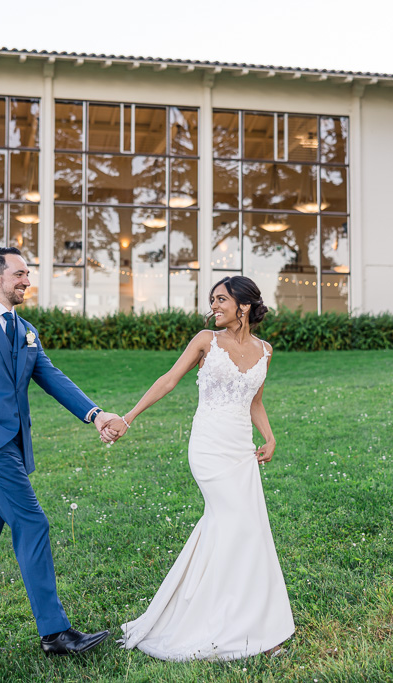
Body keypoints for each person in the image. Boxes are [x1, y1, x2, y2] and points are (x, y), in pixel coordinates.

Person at [0, 246, 121, 657]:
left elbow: (51, 376)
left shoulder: (24, 329)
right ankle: (55, 633)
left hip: (14, 446)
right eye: (19, 273)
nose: (26, 281)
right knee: (33, 523)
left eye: (27, 274)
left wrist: (95, 414)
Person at [103, 276, 294, 661]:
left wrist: (270, 437)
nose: (214, 306)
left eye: (221, 299)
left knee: (244, 528)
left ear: (243, 305)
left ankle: (254, 624)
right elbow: (169, 380)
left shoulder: (265, 350)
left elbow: (255, 400)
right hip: (209, 448)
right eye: (213, 300)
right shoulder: (205, 340)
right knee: (238, 524)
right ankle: (228, 623)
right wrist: (129, 417)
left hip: (241, 449)